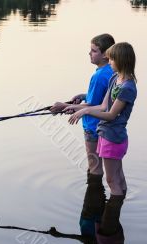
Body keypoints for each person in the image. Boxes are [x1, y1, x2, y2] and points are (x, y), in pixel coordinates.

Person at [64, 42, 137, 210]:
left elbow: (111, 115)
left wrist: (85, 112)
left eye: (112, 60)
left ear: (121, 60)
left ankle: (111, 219)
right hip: (105, 134)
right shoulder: (115, 78)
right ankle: (120, 212)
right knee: (118, 177)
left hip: (114, 136)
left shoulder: (128, 88)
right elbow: (103, 106)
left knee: (112, 181)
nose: (109, 63)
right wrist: (76, 107)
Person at [50, 33, 115, 181]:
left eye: (94, 51)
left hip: (92, 126)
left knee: (94, 167)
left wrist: (62, 106)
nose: (89, 53)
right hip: (105, 126)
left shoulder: (98, 76)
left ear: (105, 55)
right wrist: (83, 95)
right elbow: (102, 98)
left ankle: (93, 197)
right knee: (98, 165)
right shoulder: (111, 71)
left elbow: (93, 105)